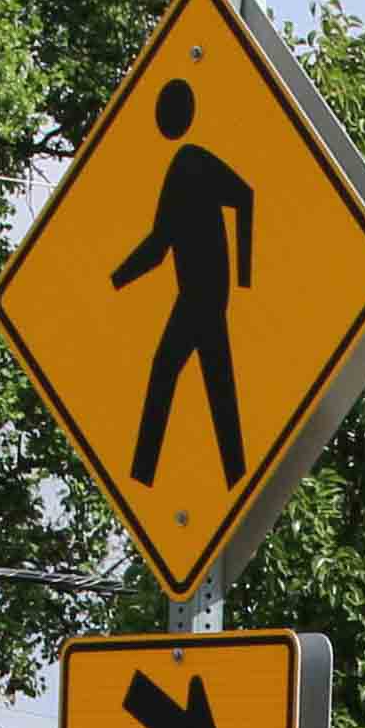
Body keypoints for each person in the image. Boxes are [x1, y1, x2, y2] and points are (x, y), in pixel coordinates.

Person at [113, 79, 255, 491]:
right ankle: (235, 478)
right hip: (195, 295)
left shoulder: (192, 161)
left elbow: (246, 195)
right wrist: (114, 280)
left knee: (167, 374)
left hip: (204, 296)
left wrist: (245, 275)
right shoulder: (179, 167)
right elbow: (159, 245)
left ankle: (143, 475)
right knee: (218, 388)